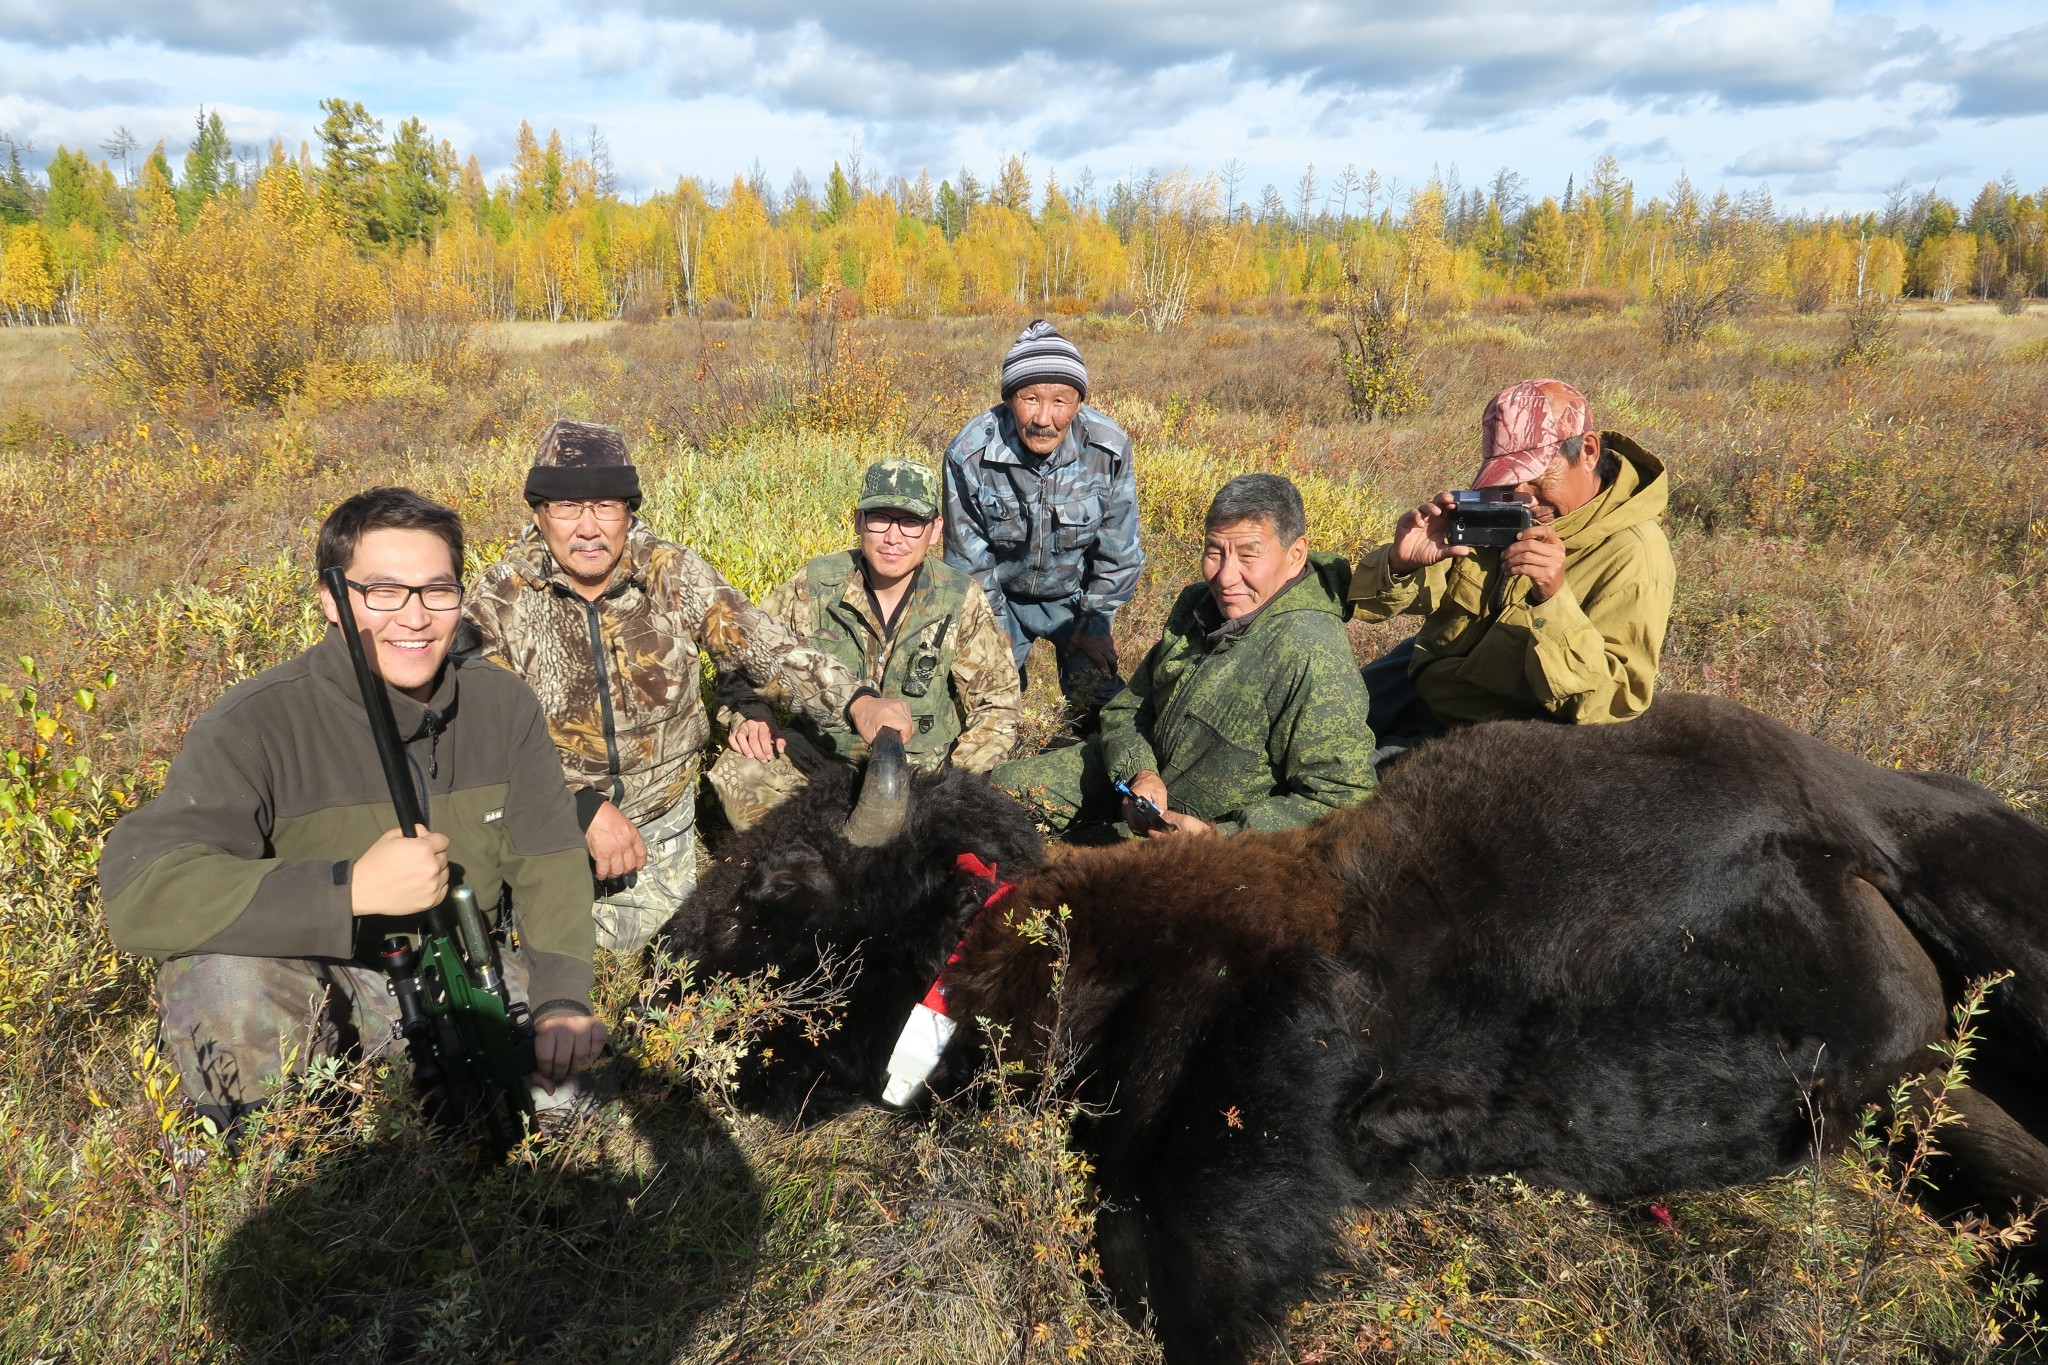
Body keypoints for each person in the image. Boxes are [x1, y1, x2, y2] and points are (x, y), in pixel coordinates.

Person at [100, 488, 607, 1137]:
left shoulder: (503, 705)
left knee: (593, 1125)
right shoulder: (253, 723)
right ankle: (284, 1164)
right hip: (328, 989)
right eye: (384, 591)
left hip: (465, 974)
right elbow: (144, 892)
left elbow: (549, 858)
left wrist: (562, 998)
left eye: (437, 590)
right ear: (329, 600)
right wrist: (351, 891)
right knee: (220, 972)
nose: (416, 617)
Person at [466, 421, 910, 953]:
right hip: (546, 809)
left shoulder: (670, 572)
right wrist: (574, 806)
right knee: (513, 949)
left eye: (606, 506)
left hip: (657, 812)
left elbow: (759, 641)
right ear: (538, 513)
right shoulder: (498, 599)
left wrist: (854, 700)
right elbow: (479, 735)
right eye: (567, 508)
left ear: (628, 510)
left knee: (660, 949)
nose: (588, 529)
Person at [994, 474, 1378, 837]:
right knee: (996, 796)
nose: (1225, 577)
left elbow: (1343, 799)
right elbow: (1129, 710)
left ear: (1295, 555)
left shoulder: (1310, 650)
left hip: (1209, 839)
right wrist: (1139, 773)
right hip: (1137, 788)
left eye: (1248, 556)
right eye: (1214, 551)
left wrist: (1218, 838)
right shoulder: (1198, 605)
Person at [1349, 378, 1673, 750]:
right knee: (1309, 727)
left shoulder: (1633, 553)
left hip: (1498, 724)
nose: (1523, 499)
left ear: (1588, 451)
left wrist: (1553, 599)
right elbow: (1371, 605)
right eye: (1508, 479)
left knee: (1348, 786)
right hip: (1424, 671)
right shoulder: (1500, 507)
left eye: (1536, 479)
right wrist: (1401, 562)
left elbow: (1615, 702)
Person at [707, 459, 1022, 831]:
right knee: (740, 769)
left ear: (935, 530)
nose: (893, 537)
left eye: (910, 522)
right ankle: (798, 862)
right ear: (858, 521)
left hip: (923, 774)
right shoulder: (814, 584)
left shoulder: (958, 596)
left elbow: (998, 703)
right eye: (880, 518)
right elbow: (743, 661)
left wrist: (953, 782)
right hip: (822, 762)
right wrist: (752, 714)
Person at [943, 318, 1142, 716]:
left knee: (1103, 704)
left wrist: (1096, 619)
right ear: (1009, 398)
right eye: (1030, 398)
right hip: (999, 598)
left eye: (1060, 401)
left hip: (1075, 599)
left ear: (1079, 403)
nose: (1043, 418)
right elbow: (967, 560)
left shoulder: (1108, 449)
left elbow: (1119, 549)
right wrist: (991, 632)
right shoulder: (969, 453)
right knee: (975, 702)